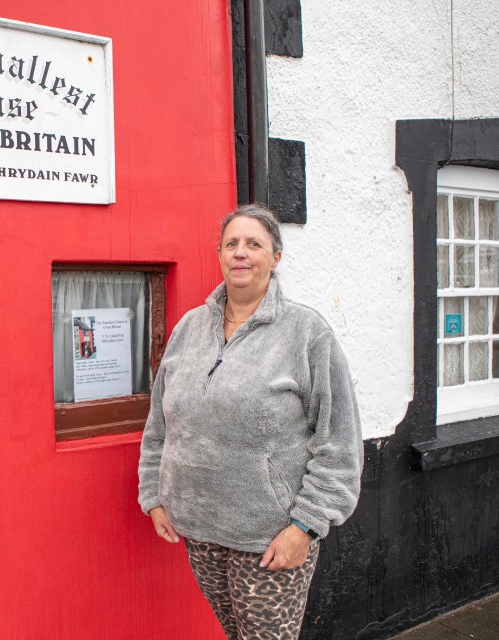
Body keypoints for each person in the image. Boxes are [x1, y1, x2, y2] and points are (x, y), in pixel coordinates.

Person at [137, 204, 363, 639]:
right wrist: (154, 493)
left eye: (254, 244)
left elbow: (339, 444)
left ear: (275, 257)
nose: (241, 253)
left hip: (270, 537)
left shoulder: (306, 333)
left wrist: (305, 527)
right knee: (235, 632)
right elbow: (160, 425)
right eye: (231, 244)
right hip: (200, 528)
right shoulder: (189, 328)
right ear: (219, 254)